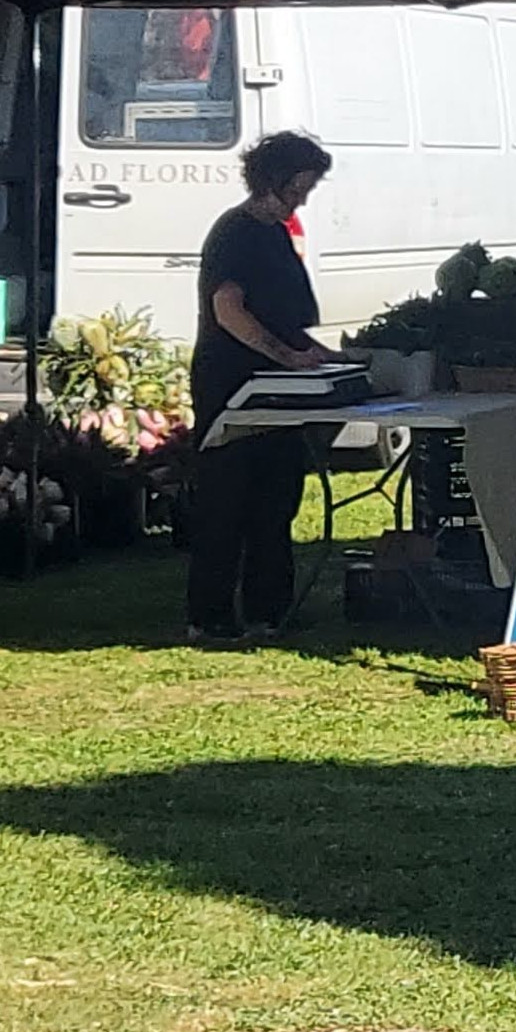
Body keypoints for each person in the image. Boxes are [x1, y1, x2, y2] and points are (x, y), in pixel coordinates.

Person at [184, 129, 340, 646]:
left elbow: (285, 315)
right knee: (227, 501)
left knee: (276, 498)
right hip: (233, 382)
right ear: (276, 179)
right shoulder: (235, 234)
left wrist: (324, 358)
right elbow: (229, 310)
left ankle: (268, 608)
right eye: (301, 184)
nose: (305, 195)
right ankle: (210, 616)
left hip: (276, 385)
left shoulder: (274, 232)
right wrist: (287, 358)